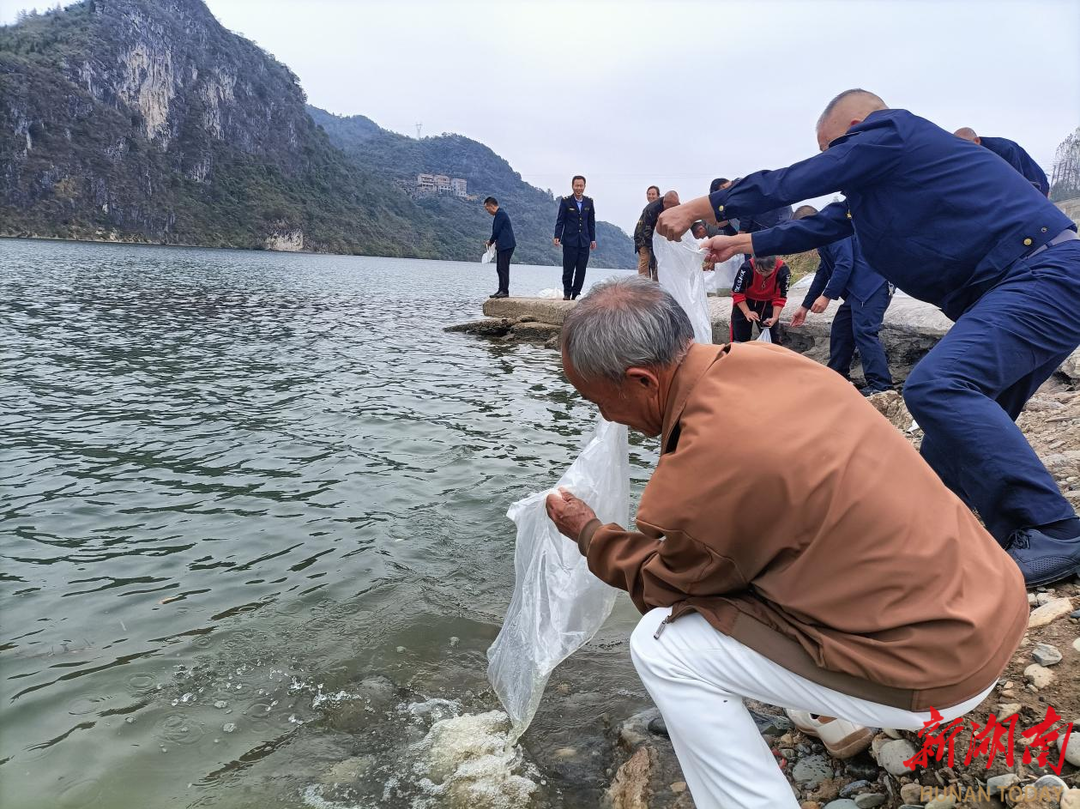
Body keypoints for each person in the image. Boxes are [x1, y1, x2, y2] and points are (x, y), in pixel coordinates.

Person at [545, 277, 1027, 809]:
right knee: (772, 566)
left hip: (940, 672)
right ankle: (838, 713)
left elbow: (667, 585)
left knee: (663, 644)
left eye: (597, 398)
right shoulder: (774, 365)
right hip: (994, 603)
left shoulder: (707, 467)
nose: (604, 416)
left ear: (641, 380)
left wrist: (590, 533)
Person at [656, 89, 1080, 585]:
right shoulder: (882, 189)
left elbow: (796, 181)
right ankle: (928, 543)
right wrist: (742, 242)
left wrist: (701, 206)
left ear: (857, 126)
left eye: (835, 148)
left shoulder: (894, 131)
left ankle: (1053, 530)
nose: (835, 163)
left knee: (937, 387)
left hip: (1040, 275)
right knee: (950, 443)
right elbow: (824, 226)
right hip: (1025, 288)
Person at [789, 204, 894, 394]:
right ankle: (837, 376)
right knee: (841, 328)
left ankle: (881, 386)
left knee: (864, 331)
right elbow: (823, 272)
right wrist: (805, 306)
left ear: (810, 224)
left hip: (872, 286)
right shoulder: (822, 238)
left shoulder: (835, 231)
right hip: (858, 292)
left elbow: (845, 264)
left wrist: (827, 296)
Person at [954, 127, 1050, 196]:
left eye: (965, 145)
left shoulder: (1003, 149)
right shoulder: (970, 156)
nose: (963, 150)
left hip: (1036, 183)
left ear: (976, 141)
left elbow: (1017, 182)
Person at [554, 175, 597, 300]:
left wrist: (592, 239)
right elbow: (560, 220)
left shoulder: (589, 202)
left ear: (584, 186)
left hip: (584, 241)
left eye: (581, 186)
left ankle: (576, 293)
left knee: (581, 269)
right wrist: (557, 235)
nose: (579, 188)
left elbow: (591, 222)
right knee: (568, 268)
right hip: (569, 241)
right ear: (572, 186)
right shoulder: (566, 201)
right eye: (576, 185)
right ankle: (567, 292)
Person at [730, 255, 789, 343]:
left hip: (768, 302)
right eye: (760, 271)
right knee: (740, 335)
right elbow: (737, 293)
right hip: (745, 301)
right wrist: (747, 312)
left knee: (772, 336)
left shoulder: (783, 270)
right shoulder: (746, 268)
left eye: (767, 271)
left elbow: (780, 296)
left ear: (774, 266)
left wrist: (775, 317)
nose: (763, 274)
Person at [634, 191, 680, 280]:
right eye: (670, 207)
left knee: (659, 260)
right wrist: (652, 246)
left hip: (659, 236)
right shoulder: (652, 209)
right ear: (664, 203)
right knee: (645, 259)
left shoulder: (676, 206)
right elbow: (645, 230)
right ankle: (644, 284)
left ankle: (657, 283)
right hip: (642, 236)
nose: (672, 210)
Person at [484, 196, 515, 299]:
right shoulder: (499, 214)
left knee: (503, 268)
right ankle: (500, 289)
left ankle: (505, 291)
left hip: (507, 245)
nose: (487, 211)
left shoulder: (500, 214)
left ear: (491, 206)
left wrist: (490, 241)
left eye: (487, 209)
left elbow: (496, 231)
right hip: (502, 245)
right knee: (499, 268)